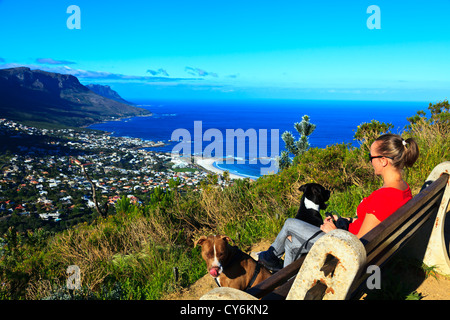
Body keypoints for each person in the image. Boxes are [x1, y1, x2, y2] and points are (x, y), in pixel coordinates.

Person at [258, 133, 420, 271]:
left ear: (383, 160)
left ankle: (271, 256)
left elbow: (358, 245)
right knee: (290, 244)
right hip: (374, 248)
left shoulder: (382, 197)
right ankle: (288, 284)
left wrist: (333, 231)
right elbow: (373, 222)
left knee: (289, 224)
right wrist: (347, 221)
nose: (370, 161)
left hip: (349, 251)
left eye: (371, 157)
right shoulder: (403, 188)